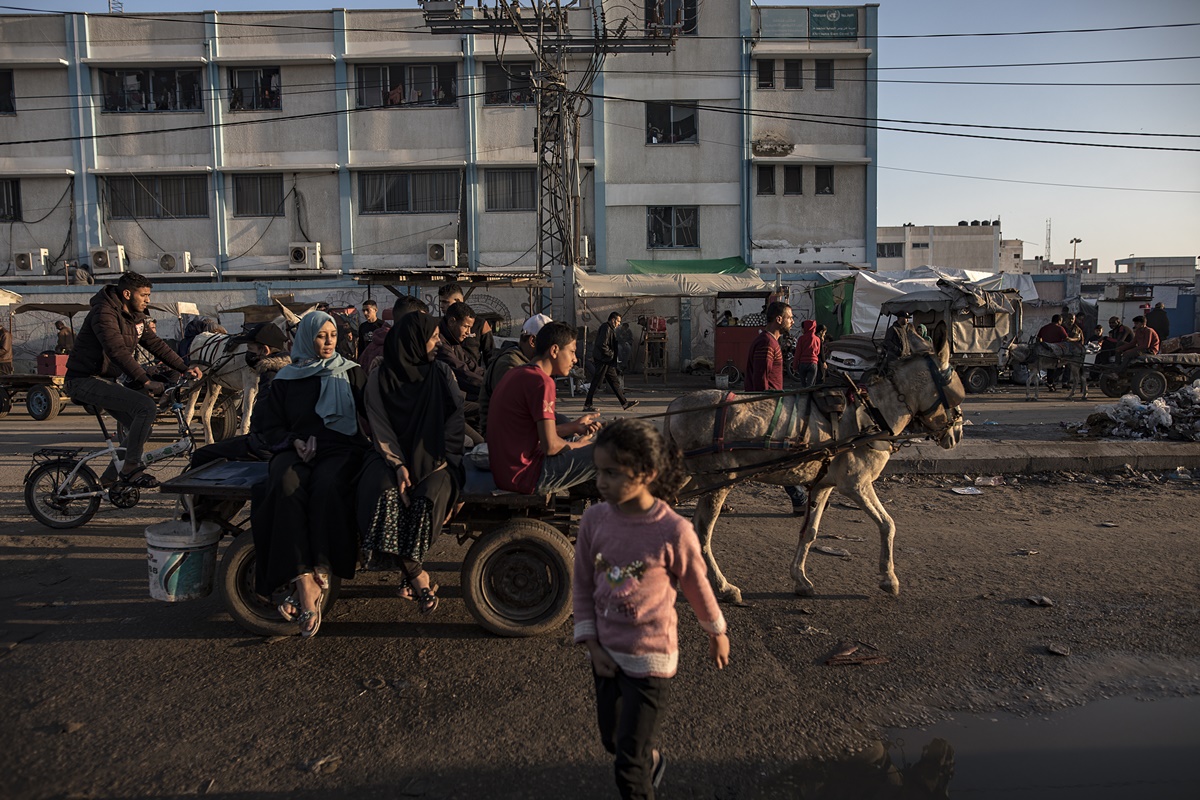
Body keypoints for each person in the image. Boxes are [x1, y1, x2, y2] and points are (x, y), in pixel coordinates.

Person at [574, 419, 729, 800]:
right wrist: (592, 645)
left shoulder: (673, 531)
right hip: (606, 654)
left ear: (646, 473)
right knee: (613, 741)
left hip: (652, 659)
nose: (601, 482)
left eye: (612, 473)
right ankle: (650, 760)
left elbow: (696, 585)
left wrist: (716, 631)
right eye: (598, 471)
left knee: (628, 767)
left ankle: (642, 767)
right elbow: (581, 585)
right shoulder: (594, 520)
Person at [250, 311, 369, 638]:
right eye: (321, 335)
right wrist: (294, 441)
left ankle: (322, 566)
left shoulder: (351, 373)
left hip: (340, 448)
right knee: (285, 483)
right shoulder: (287, 378)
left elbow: (373, 411)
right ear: (306, 338)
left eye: (333, 334)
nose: (329, 341)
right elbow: (268, 425)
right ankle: (302, 578)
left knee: (328, 485)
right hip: (295, 449)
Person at [359, 313, 465, 614]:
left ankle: (409, 571)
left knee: (425, 502)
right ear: (413, 342)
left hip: (438, 460)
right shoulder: (380, 376)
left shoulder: (441, 373)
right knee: (384, 497)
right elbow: (380, 426)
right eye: (432, 338)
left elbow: (453, 423)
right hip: (388, 455)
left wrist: (436, 464)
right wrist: (398, 465)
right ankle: (417, 575)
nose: (438, 343)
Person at [65, 272, 202, 487]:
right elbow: (117, 351)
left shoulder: (135, 317)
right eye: (144, 295)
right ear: (127, 294)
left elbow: (156, 345)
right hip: (83, 380)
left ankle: (110, 478)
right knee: (145, 407)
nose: (148, 300)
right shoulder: (104, 313)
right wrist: (145, 381)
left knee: (143, 427)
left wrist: (185, 368)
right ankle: (130, 468)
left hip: (104, 380)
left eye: (149, 295)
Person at [486, 321, 601, 495]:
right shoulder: (542, 382)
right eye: (571, 352)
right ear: (554, 350)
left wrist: (574, 427)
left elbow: (530, 434)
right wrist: (579, 446)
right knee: (612, 452)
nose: (575, 359)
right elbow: (551, 447)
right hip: (526, 475)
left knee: (578, 441)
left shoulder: (516, 373)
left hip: (506, 471)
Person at [744, 302, 806, 513]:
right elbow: (761, 379)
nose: (792, 321)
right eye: (790, 317)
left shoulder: (769, 341)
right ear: (778, 319)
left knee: (780, 454)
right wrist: (767, 409)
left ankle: (800, 498)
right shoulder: (767, 343)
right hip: (768, 408)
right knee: (780, 453)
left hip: (772, 405)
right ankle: (799, 498)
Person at [478, 313, 551, 436]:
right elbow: (513, 413)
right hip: (504, 437)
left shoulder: (525, 363)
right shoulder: (510, 365)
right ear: (532, 341)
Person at [584, 312, 638, 413]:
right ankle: (587, 405)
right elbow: (602, 344)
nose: (618, 324)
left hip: (607, 361)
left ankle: (624, 403)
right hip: (603, 360)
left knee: (614, 382)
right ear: (613, 320)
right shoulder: (606, 328)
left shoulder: (609, 329)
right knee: (596, 382)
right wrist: (611, 354)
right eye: (618, 321)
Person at [360, 295, 428, 374]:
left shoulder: (381, 326)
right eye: (364, 310)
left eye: (367, 310)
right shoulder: (387, 352)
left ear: (376, 310)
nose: (365, 313)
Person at [438, 282, 493, 365]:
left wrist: (489, 376)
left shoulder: (480, 324)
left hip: (473, 374)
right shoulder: (440, 326)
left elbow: (490, 354)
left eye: (445, 302)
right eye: (441, 302)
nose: (441, 306)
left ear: (458, 301)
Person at [791, 319, 821, 388]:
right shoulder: (817, 339)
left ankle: (803, 397)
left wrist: (794, 366)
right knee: (810, 386)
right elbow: (818, 352)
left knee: (803, 385)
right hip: (813, 364)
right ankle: (810, 398)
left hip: (803, 364)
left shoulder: (801, 338)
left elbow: (797, 354)